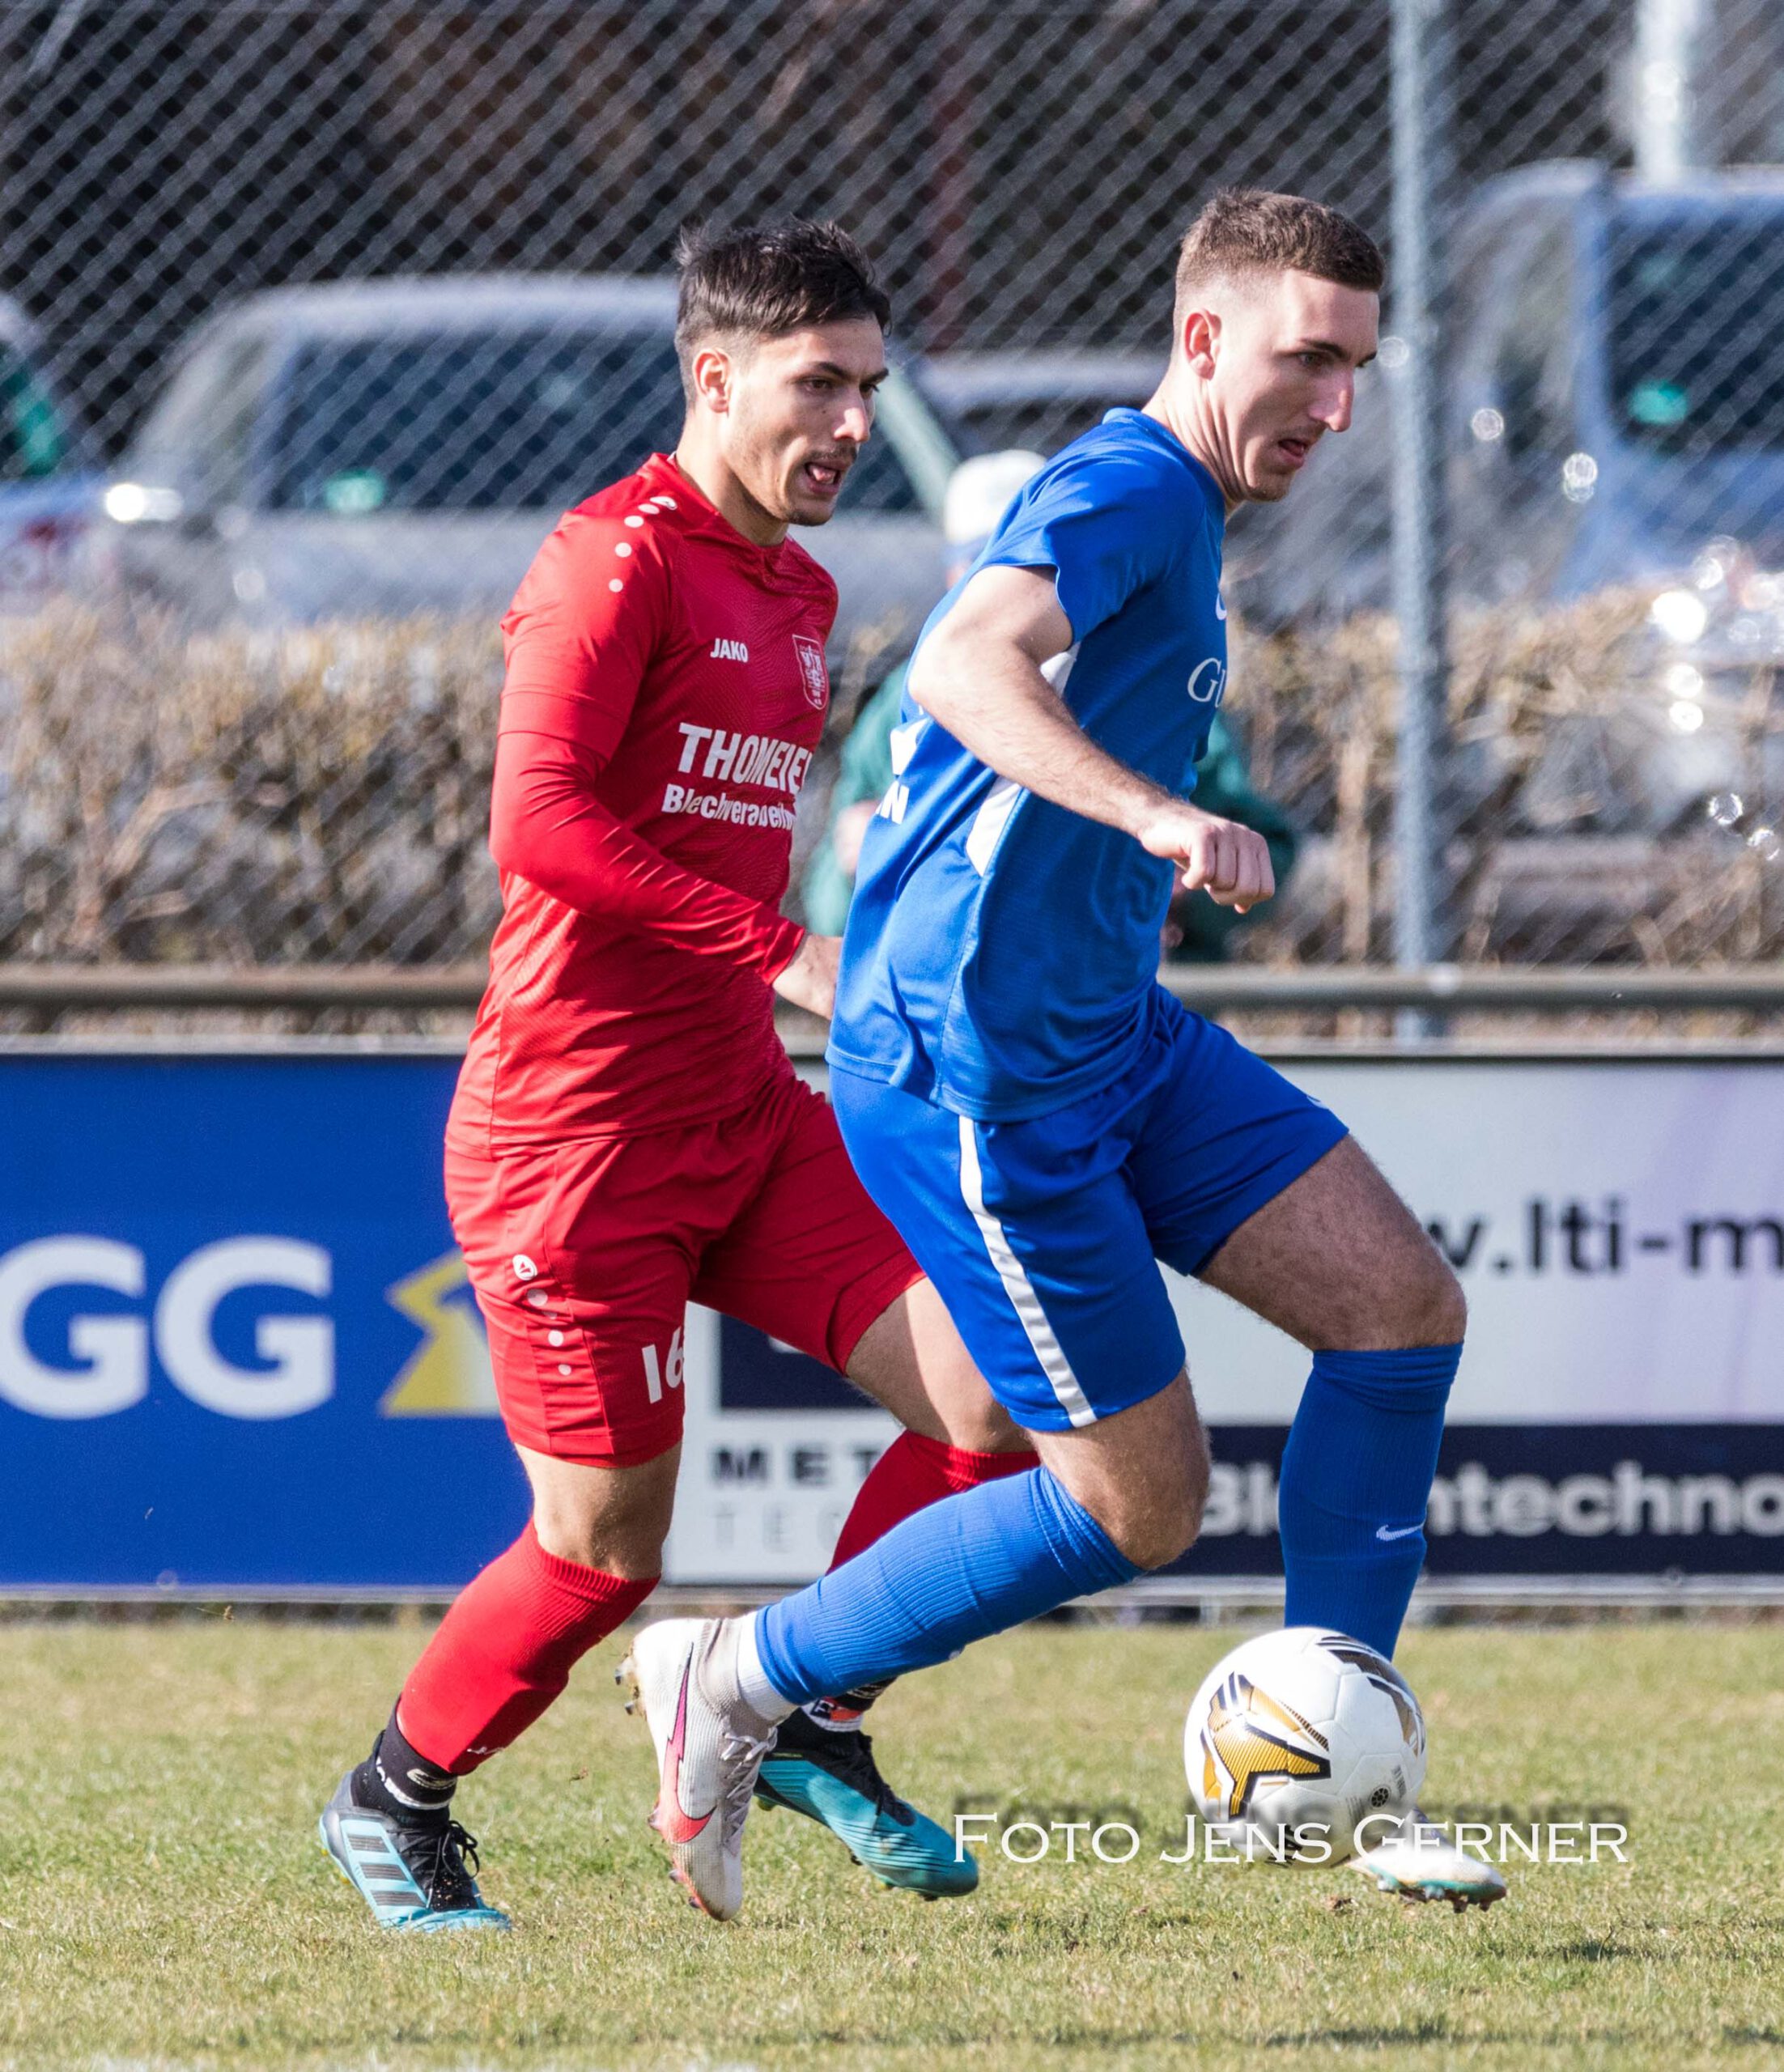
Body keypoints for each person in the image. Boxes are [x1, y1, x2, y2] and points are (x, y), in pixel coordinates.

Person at [625, 189, 1506, 1921]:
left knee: (1399, 1311)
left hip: (1111, 1035)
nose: (1337, 406)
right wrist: (1153, 813)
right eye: (1307, 360)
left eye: (1357, 368)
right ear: (1203, 338)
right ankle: (742, 1670)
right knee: (1137, 1506)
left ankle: (1343, 1757)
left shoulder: (1178, 504)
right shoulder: (1132, 486)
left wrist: (1124, 854)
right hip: (983, 1079)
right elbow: (966, 663)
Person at [318, 219, 1035, 1932]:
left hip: (745, 1113)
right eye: (820, 385)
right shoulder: (611, 558)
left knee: (999, 1398)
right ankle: (393, 1799)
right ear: (715, 378)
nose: (853, 424)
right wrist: (781, 949)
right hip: (574, 1141)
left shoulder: (802, 589)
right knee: (604, 1553)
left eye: (869, 388)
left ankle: (807, 1709)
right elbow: (540, 826)